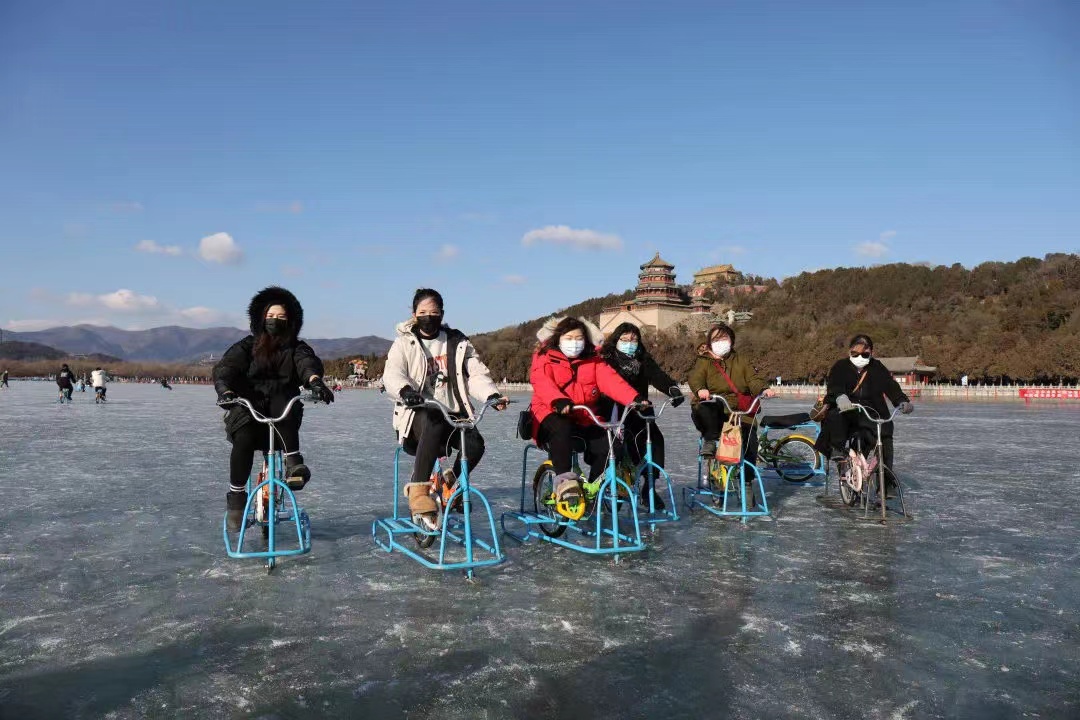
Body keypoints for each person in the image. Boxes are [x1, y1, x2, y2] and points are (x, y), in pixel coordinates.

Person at [383, 288, 508, 530]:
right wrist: (406, 391)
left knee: (475, 445)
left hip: (454, 413)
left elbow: (476, 373)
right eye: (422, 312)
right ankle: (419, 491)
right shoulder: (404, 343)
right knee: (433, 419)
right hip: (418, 414)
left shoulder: (457, 342)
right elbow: (393, 373)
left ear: (442, 314)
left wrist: (490, 394)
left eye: (434, 312)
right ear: (414, 314)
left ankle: (452, 482)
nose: (428, 317)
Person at [213, 286, 335, 531]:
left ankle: (293, 463)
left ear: (290, 321)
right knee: (244, 439)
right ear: (261, 318)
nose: (275, 321)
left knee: (284, 400)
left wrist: (315, 382)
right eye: (271, 317)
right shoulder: (247, 346)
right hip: (249, 411)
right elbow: (227, 368)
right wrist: (225, 390)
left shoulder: (296, 348)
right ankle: (236, 500)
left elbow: (306, 364)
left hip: (283, 418)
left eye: (281, 318)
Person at [529, 316, 644, 507]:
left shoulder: (594, 361)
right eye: (569, 338)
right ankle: (565, 482)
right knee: (562, 427)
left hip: (584, 416)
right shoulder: (545, 357)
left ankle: (593, 489)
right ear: (559, 338)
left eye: (579, 338)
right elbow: (541, 382)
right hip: (550, 413)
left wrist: (634, 398)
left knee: (610, 444)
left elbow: (612, 381)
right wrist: (557, 400)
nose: (574, 343)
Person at [597, 322, 685, 509]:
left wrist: (672, 389)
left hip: (641, 411)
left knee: (655, 442)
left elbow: (657, 375)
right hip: (615, 412)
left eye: (634, 339)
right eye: (625, 339)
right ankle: (613, 487)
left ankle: (649, 486)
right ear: (616, 340)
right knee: (618, 448)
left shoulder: (642, 358)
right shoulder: (607, 359)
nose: (630, 343)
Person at [814, 334, 913, 497]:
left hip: (871, 411)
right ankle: (838, 450)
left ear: (871, 353)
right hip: (847, 410)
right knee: (837, 419)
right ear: (850, 352)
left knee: (885, 435)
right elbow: (835, 384)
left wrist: (901, 401)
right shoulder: (841, 366)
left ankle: (886, 484)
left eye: (865, 354)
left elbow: (891, 386)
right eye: (855, 354)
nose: (860, 357)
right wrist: (840, 396)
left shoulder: (876, 367)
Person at [688, 322, 774, 462]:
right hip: (714, 407)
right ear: (710, 343)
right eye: (716, 340)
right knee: (708, 407)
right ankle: (710, 441)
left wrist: (763, 389)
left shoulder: (742, 361)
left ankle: (747, 479)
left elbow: (753, 379)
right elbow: (695, 377)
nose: (720, 343)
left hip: (738, 411)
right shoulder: (704, 361)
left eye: (724, 339)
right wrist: (700, 389)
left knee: (750, 442)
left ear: (731, 341)